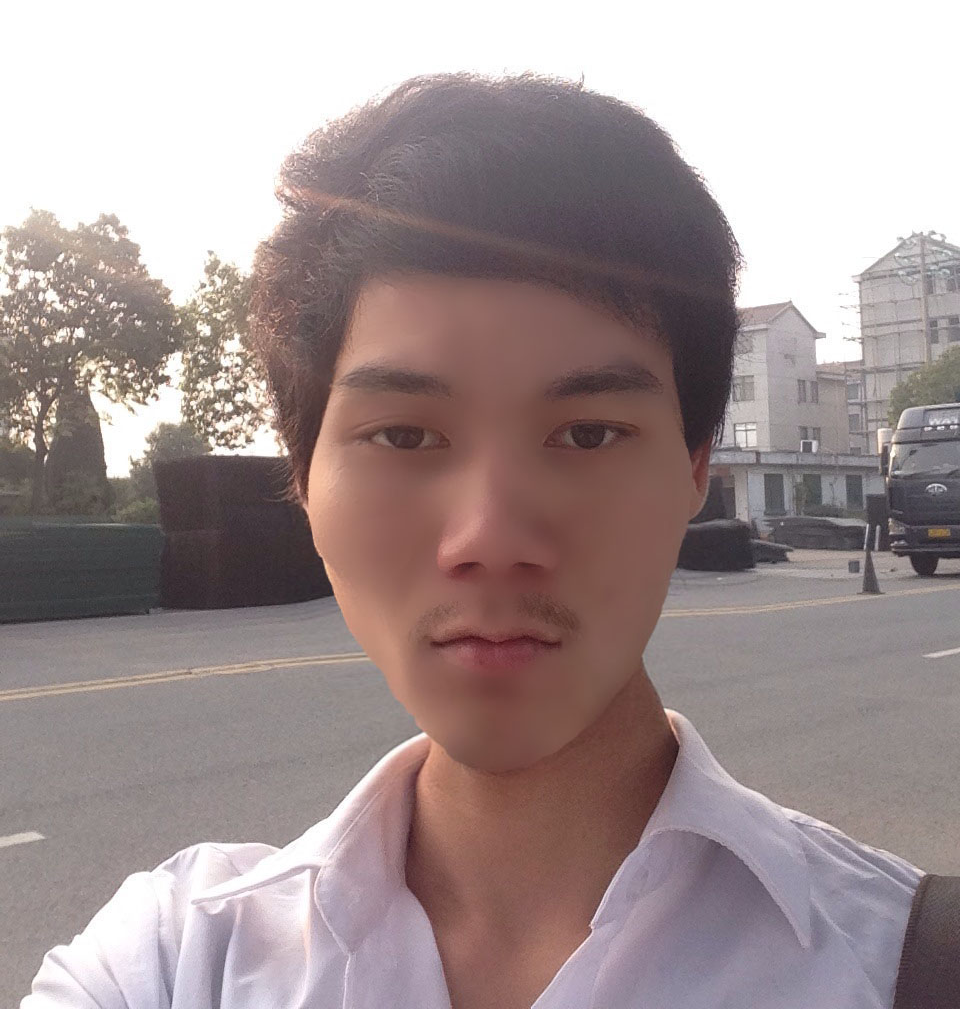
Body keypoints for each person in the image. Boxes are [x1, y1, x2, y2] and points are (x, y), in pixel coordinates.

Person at [24, 75, 923, 1008]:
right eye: (404, 436)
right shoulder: (174, 965)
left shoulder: (910, 967)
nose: (490, 538)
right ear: (304, 475)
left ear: (696, 469)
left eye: (588, 434)